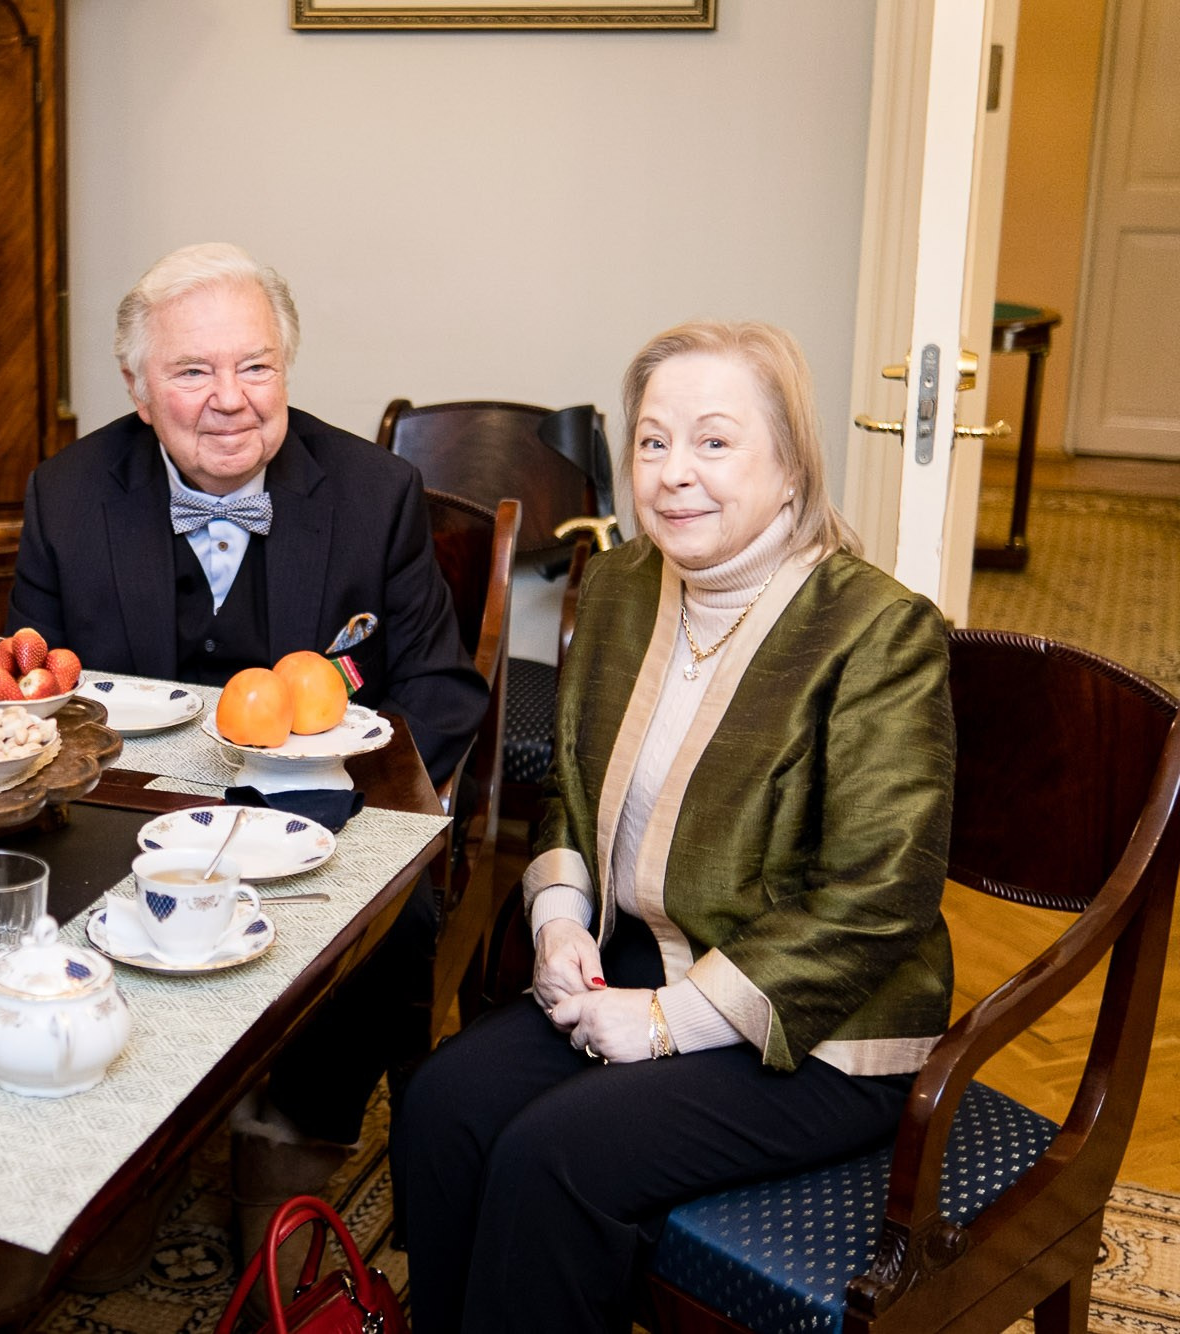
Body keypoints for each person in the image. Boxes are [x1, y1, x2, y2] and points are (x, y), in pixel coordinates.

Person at [393, 320, 957, 1334]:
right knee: (442, 1102)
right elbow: (563, 785)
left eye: (712, 441)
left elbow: (882, 891)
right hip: (635, 968)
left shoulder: (877, 631)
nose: (672, 474)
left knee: (549, 1156)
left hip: (811, 1029)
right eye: (652, 442)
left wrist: (665, 1023)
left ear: (788, 465)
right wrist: (561, 922)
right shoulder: (613, 589)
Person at [8, 242, 488, 1272]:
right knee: (22, 896)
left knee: (387, 926)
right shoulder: (65, 492)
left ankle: (285, 1153)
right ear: (140, 390)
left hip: (323, 822)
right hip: (125, 822)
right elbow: (40, 698)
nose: (229, 399)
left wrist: (350, 802)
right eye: (191, 371)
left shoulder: (374, 493)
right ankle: (112, 1160)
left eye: (254, 366)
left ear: (286, 371)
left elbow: (442, 693)